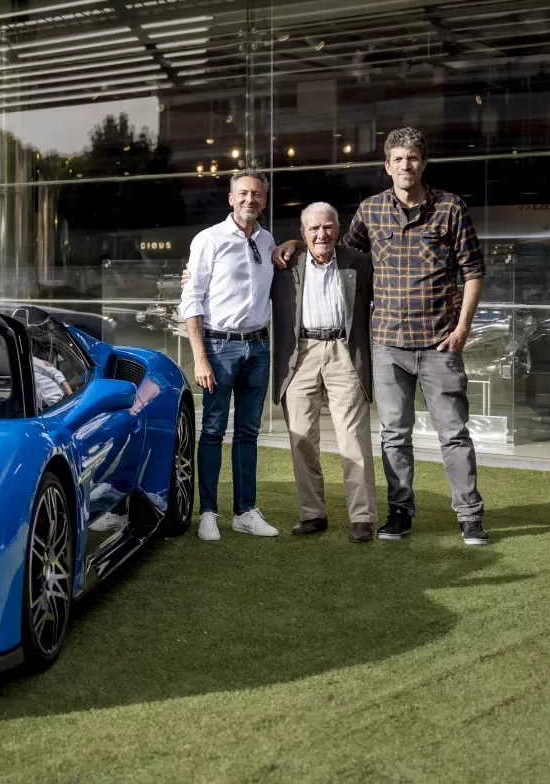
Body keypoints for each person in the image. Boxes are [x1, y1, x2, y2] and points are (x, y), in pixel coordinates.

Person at [275, 127, 490, 546]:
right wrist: (296, 242)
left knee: (453, 433)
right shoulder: (371, 211)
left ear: (423, 164)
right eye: (398, 159)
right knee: (394, 436)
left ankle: (469, 515)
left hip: (439, 343)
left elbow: (473, 270)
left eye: (413, 158)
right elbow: (336, 251)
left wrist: (463, 327)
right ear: (387, 166)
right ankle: (400, 513)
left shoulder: (451, 207)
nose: (406, 165)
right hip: (388, 345)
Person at [180, 169, 279, 542]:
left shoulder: (268, 241)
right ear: (231, 198)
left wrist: (294, 244)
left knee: (248, 432)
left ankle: (244, 512)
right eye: (243, 193)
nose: (250, 199)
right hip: (219, 347)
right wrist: (199, 357)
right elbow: (191, 298)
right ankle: (208, 513)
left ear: (264, 200)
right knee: (212, 431)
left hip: (259, 346)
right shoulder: (209, 239)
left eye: (257, 194)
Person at [270, 202, 376, 543]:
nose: (321, 234)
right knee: (301, 437)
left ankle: (362, 517)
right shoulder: (284, 265)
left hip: (345, 351)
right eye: (314, 228)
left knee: (353, 437)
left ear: (338, 229)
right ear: (302, 233)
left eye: (328, 226)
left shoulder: (359, 262)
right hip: (300, 354)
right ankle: (312, 514)